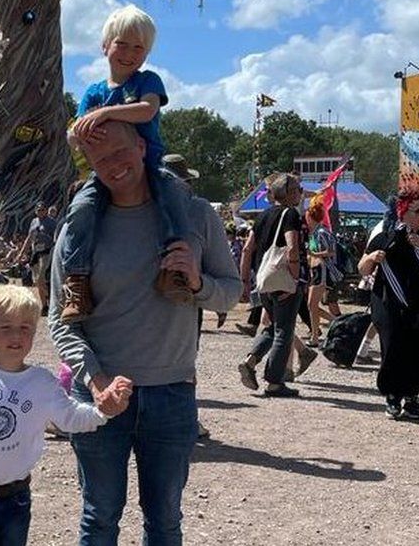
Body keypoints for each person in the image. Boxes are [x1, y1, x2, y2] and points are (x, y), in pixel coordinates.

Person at [49, 121, 241, 545]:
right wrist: (97, 383)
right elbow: (61, 321)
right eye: (101, 160)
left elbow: (230, 293)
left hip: (171, 394)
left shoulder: (193, 216)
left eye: (120, 151)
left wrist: (196, 283)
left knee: (165, 520)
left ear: (142, 145)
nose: (114, 165)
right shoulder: (78, 230)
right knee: (98, 518)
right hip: (100, 399)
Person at [0, 285, 130, 545]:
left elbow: (71, 417)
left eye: (25, 328)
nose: (16, 335)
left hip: (15, 498)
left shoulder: (42, 383)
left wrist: (102, 411)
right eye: (5, 327)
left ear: (34, 333)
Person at [59, 4, 191, 323]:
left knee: (172, 197)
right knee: (81, 209)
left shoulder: (147, 81)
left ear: (146, 53)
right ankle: (77, 280)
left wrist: (104, 114)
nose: (130, 53)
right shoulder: (94, 92)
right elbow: (75, 134)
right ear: (106, 46)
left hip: (149, 165)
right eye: (122, 44)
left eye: (139, 47)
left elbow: (146, 111)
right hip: (106, 172)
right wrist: (78, 135)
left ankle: (173, 271)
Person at [359, 190, 419, 419]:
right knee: (392, 348)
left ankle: (412, 395)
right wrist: (372, 259)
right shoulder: (385, 237)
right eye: (418, 211)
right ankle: (392, 395)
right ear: (403, 212)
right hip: (389, 302)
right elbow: (363, 268)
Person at [238, 172, 307, 398]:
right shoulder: (290, 214)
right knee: (284, 331)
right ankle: (275, 382)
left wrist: (245, 281)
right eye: (298, 189)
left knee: (272, 326)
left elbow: (248, 249)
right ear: (287, 193)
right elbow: (292, 247)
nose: (301, 193)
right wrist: (295, 279)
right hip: (284, 279)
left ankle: (250, 360)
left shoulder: (262, 216)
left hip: (264, 281)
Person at [306, 203, 342, 347]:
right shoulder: (313, 233)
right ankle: (333, 323)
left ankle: (319, 333)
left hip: (323, 270)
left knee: (311, 304)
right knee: (312, 305)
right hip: (315, 270)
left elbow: (332, 251)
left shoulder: (322, 233)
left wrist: (314, 254)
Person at [15, 203, 57, 315]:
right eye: (38, 210)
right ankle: (44, 306)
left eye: (42, 210)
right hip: (36, 253)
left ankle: (50, 299)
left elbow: (56, 238)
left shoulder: (52, 223)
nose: (40, 212)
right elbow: (29, 238)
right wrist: (21, 253)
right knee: (37, 281)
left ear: (46, 210)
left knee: (41, 278)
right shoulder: (34, 222)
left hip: (47, 252)